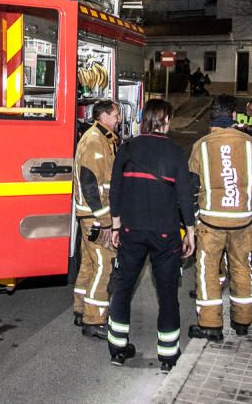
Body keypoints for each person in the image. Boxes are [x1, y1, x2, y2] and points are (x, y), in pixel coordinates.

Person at [107, 99, 196, 372]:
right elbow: (184, 198)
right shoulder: (175, 153)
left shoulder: (127, 148)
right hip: (165, 234)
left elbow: (115, 190)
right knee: (168, 292)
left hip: (131, 231)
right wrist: (190, 231)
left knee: (122, 288)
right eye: (169, 119)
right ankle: (168, 356)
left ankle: (118, 349)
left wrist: (115, 225)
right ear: (164, 121)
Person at [187, 95, 252, 342]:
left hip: (211, 223)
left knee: (207, 271)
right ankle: (242, 321)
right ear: (234, 116)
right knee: (242, 267)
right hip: (242, 221)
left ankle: (211, 325)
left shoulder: (201, 146)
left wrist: (193, 220)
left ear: (211, 117)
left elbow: (192, 188)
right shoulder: (251, 144)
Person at [72, 100, 121, 338]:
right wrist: (105, 219)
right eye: (115, 115)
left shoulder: (101, 139)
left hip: (90, 215)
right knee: (105, 265)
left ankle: (81, 309)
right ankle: (94, 320)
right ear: (102, 116)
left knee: (89, 264)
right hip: (95, 216)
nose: (118, 119)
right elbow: (89, 181)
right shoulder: (94, 141)